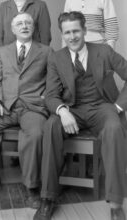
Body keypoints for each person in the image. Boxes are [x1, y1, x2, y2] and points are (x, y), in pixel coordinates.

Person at [34, 11, 127, 220]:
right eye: (67, 33)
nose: (72, 36)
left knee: (114, 128)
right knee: (50, 126)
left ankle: (115, 203)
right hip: (71, 109)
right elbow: (50, 95)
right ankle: (48, 197)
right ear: (62, 35)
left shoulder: (104, 51)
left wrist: (119, 107)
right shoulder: (56, 58)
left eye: (76, 30)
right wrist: (62, 111)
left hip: (102, 107)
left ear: (85, 31)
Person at [0, 12, 51, 209]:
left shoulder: (47, 51)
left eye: (28, 23)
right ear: (13, 29)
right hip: (5, 105)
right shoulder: (2, 52)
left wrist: (45, 98)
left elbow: (53, 80)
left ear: (33, 28)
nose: (24, 26)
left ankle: (32, 187)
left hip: (33, 107)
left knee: (34, 135)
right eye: (20, 24)